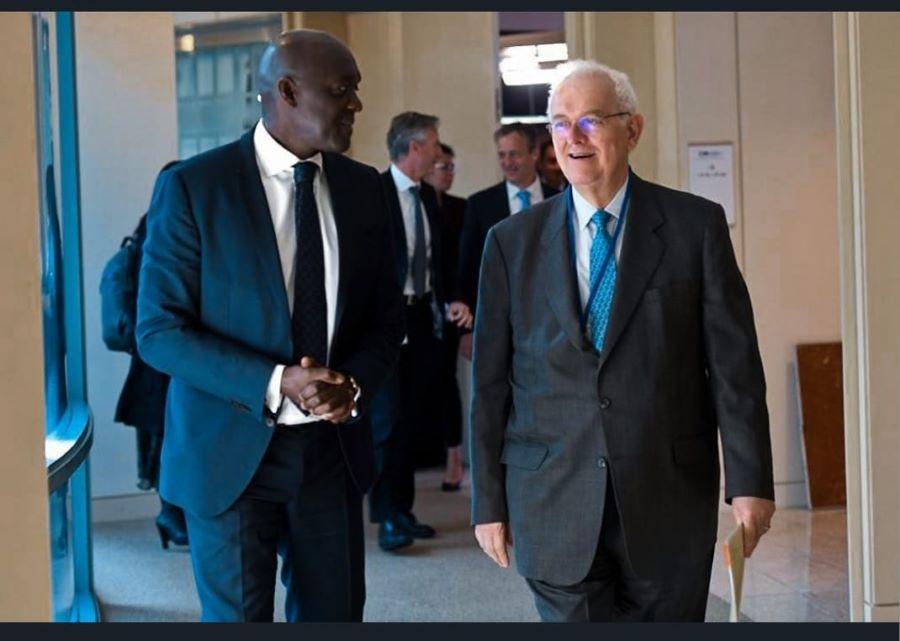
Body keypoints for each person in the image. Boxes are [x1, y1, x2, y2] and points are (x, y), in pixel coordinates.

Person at [469, 59, 775, 622]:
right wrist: (487, 502)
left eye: (591, 120)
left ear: (632, 130)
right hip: (552, 499)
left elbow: (734, 367)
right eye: (560, 124)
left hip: (668, 497)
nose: (573, 138)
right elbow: (489, 384)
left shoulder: (694, 227)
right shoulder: (511, 243)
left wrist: (750, 482)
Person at [136, 29, 404, 622]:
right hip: (226, 452)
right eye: (342, 90)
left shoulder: (366, 189)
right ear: (287, 91)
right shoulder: (195, 187)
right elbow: (158, 331)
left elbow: (387, 322)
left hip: (331, 455)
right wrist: (278, 380)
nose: (357, 104)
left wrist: (352, 385)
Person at [369, 113, 472, 552]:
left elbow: (438, 262)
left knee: (411, 420)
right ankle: (386, 516)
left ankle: (403, 511)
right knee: (387, 421)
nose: (438, 151)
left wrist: (453, 299)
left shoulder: (429, 196)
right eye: (433, 143)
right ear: (414, 148)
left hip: (422, 321)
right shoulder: (372, 193)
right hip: (384, 325)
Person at [112, 160, 186, 550]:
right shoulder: (161, 229)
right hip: (163, 358)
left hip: (157, 359)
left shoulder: (151, 225)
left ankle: (172, 515)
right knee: (171, 438)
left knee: (168, 437)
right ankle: (170, 515)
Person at [456, 122, 559, 360]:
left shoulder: (560, 200)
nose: (507, 162)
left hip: (552, 321)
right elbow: (468, 266)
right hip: (498, 320)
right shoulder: (480, 205)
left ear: (534, 153)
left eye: (514, 154)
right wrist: (466, 330)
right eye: (501, 155)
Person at [423, 143, 469, 492]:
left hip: (452, 307)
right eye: (443, 166)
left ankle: (454, 455)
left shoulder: (461, 208)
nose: (449, 173)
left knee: (446, 379)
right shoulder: (412, 202)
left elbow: (466, 263)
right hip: (418, 306)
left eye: (452, 167)